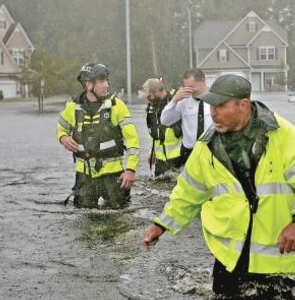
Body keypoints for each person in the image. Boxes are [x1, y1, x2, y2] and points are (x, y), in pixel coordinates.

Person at [142, 74, 295, 300]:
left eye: (221, 106)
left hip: (277, 259)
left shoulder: (281, 134)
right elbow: (187, 193)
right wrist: (161, 224)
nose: (213, 113)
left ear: (243, 105)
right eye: (211, 106)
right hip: (229, 259)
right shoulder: (207, 145)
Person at [56, 62, 140, 209]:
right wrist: (63, 138)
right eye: (101, 81)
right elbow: (61, 127)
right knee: (84, 217)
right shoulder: (73, 108)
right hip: (84, 176)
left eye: (107, 80)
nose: (106, 84)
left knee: (119, 218)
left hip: (114, 176)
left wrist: (131, 170)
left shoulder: (117, 106)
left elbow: (133, 140)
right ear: (88, 85)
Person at [159, 67, 212, 167]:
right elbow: (165, 121)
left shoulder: (215, 100)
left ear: (203, 80)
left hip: (211, 151)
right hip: (189, 152)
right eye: (186, 87)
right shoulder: (183, 100)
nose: (189, 90)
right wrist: (174, 100)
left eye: (192, 86)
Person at [143, 78, 183, 176]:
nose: (148, 98)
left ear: (155, 91)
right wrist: (152, 152)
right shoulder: (152, 107)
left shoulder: (175, 103)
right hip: (160, 162)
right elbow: (155, 132)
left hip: (179, 159)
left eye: (149, 95)